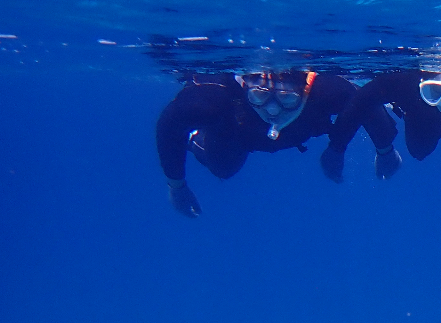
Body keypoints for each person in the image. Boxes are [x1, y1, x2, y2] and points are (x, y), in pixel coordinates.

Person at [156, 71, 394, 217]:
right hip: (233, 134)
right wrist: (176, 186)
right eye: (259, 95)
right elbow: (170, 124)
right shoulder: (215, 99)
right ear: (245, 88)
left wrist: (344, 147)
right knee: (223, 168)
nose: (272, 110)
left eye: (287, 98)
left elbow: (366, 104)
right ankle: (195, 140)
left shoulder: (328, 91)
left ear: (307, 88)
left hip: (279, 129)